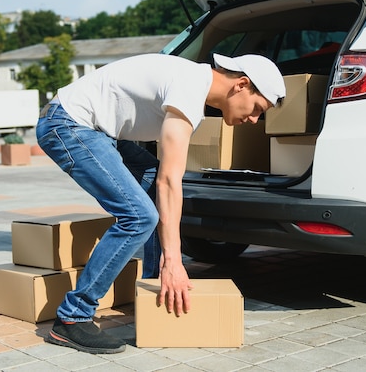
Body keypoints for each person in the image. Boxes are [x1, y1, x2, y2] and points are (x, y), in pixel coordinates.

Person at [36, 52, 285, 354]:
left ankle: (152, 289)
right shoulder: (190, 87)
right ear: (242, 84)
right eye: (258, 108)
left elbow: (163, 179)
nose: (254, 120)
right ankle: (73, 318)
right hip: (68, 125)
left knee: (150, 180)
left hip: (97, 131)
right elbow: (171, 181)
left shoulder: (192, 83)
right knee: (139, 217)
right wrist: (176, 261)